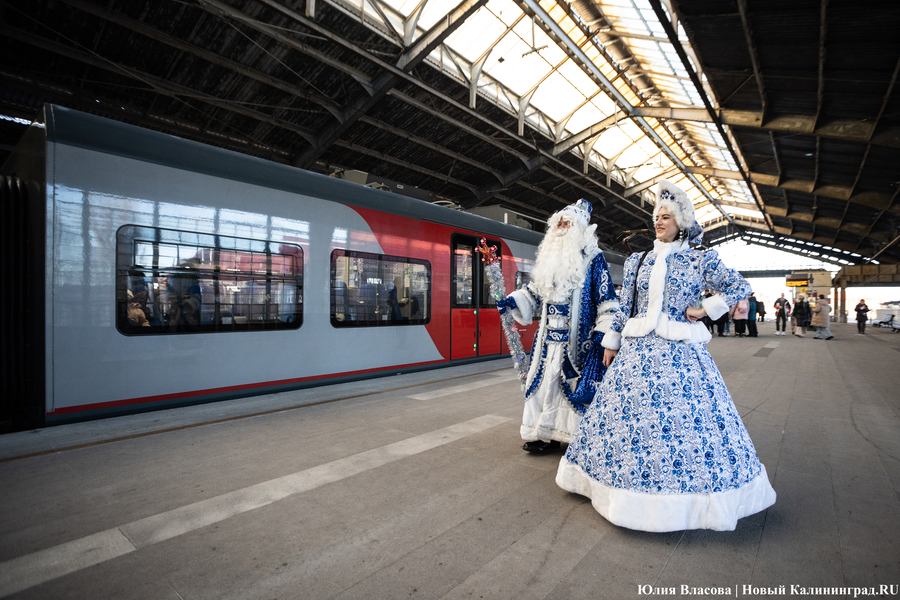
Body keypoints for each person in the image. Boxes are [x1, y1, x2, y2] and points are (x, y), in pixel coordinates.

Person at [556, 180, 776, 532]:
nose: (657, 222)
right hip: (637, 352)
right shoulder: (637, 261)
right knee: (626, 423)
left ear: (681, 222)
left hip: (680, 353)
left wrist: (704, 309)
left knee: (684, 425)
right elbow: (623, 306)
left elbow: (738, 286)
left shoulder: (700, 258)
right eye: (656, 216)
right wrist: (611, 342)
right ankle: (615, 491)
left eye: (665, 217)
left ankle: (678, 503)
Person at [503, 200, 619, 454]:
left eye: (568, 223)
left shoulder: (594, 260)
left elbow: (608, 302)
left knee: (571, 387)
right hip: (547, 341)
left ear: (579, 228)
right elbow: (535, 291)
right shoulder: (550, 259)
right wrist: (514, 300)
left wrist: (603, 337)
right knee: (543, 385)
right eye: (559, 223)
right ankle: (542, 434)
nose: (562, 227)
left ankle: (572, 437)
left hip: (578, 343)